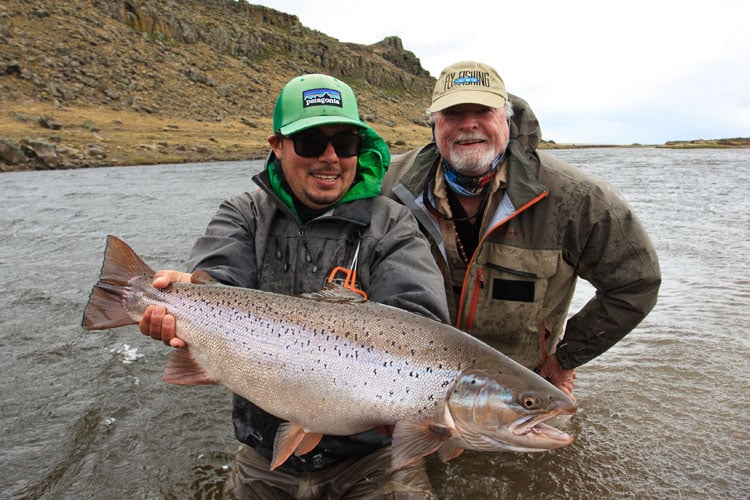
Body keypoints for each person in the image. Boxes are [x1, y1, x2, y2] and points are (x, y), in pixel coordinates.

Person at [139, 74, 450, 499]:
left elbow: (422, 323)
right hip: (264, 452)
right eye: (309, 143)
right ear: (278, 146)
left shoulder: (392, 224)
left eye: (344, 144)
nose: (330, 158)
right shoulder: (245, 213)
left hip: (370, 460)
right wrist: (183, 300)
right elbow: (219, 280)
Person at [381, 61, 661, 399]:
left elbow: (636, 282)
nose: (469, 124)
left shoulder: (577, 198)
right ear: (434, 124)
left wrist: (567, 358)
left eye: (483, 110)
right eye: (453, 113)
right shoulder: (387, 186)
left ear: (507, 119)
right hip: (406, 382)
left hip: (522, 393)